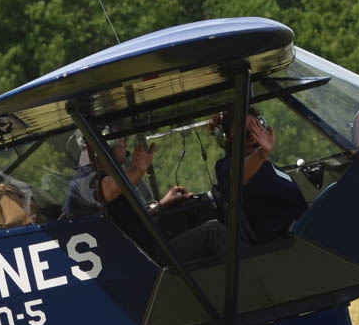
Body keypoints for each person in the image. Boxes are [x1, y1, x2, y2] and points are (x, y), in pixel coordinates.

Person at [65, 135, 226, 263]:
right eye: (119, 139)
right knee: (214, 232)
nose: (124, 142)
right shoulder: (83, 182)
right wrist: (139, 169)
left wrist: (161, 205)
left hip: (145, 253)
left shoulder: (101, 177)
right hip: (144, 260)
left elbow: (130, 222)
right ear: (106, 142)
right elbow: (111, 189)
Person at [211, 108, 307, 243]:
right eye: (245, 133)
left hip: (303, 227)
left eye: (257, 128)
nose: (253, 138)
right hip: (287, 239)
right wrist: (262, 154)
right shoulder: (226, 165)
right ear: (228, 138)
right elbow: (237, 178)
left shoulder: (265, 165)